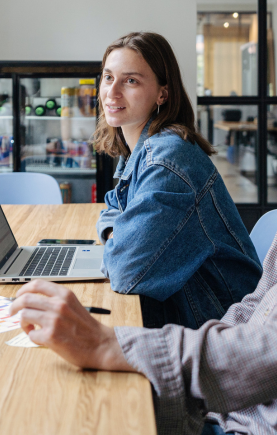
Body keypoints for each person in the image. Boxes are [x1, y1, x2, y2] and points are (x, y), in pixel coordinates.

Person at [11, 0, 277, 434]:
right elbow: (256, 308)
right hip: (228, 395)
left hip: (254, 418)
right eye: (108, 77)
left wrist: (113, 346)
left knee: (56, 408)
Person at [92, 32, 262, 329]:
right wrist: (118, 236)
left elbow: (124, 271)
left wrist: (119, 241)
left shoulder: (167, 159)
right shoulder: (143, 148)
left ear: (162, 94)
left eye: (130, 81)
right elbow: (111, 208)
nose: (112, 92)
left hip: (217, 330)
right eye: (108, 77)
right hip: (185, 315)